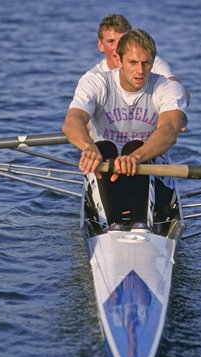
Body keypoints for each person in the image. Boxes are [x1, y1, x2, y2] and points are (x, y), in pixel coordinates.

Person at [63, 29, 188, 228]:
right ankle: (113, 226)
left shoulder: (167, 88)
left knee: (134, 147)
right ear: (119, 61)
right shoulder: (96, 83)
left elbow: (170, 129)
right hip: (105, 167)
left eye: (146, 63)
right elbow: (72, 121)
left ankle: (140, 225)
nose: (140, 70)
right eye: (133, 63)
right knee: (103, 148)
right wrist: (87, 147)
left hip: (150, 168)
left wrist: (135, 157)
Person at [80, 14, 191, 106]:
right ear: (101, 45)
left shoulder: (152, 62)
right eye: (111, 42)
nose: (118, 47)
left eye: (122, 40)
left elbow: (180, 90)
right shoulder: (91, 78)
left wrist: (178, 108)